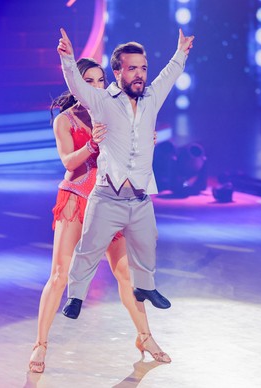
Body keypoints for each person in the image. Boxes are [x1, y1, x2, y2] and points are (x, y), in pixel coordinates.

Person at [28, 58, 171, 374]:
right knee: (60, 274)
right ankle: (40, 343)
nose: (95, 87)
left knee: (126, 275)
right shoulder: (65, 121)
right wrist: (93, 143)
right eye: (88, 81)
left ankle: (145, 337)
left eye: (99, 81)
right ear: (75, 84)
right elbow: (68, 162)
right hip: (77, 198)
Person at [57, 28, 195, 319]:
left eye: (143, 68)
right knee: (89, 250)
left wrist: (181, 52)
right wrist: (68, 61)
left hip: (141, 197)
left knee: (148, 244)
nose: (140, 75)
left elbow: (169, 75)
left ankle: (145, 287)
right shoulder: (101, 102)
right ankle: (76, 296)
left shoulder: (151, 99)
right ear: (118, 71)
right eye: (133, 69)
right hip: (108, 196)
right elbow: (78, 87)